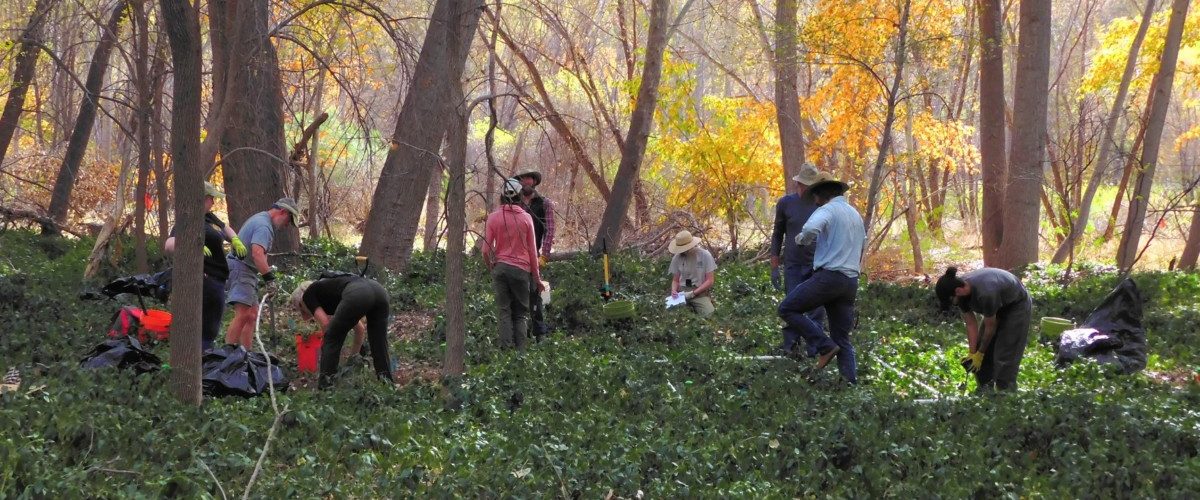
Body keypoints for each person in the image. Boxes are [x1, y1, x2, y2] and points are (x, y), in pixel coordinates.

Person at [777, 172, 865, 383]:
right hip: (850, 282)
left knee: (787, 308)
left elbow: (810, 229)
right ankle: (849, 385)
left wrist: (801, 240)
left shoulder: (827, 210)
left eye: (815, 193)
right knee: (842, 338)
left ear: (822, 193)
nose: (813, 199)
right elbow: (863, 243)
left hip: (829, 278)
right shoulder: (854, 214)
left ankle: (824, 345)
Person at [163, 182, 247, 350]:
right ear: (202, 199)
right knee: (203, 328)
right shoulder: (188, 219)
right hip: (203, 281)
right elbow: (169, 244)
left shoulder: (209, 217)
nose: (213, 203)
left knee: (212, 327)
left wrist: (235, 239)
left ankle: (206, 356)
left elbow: (225, 228)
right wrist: (189, 244)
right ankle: (202, 359)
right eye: (211, 199)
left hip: (218, 281)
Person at [935, 266, 1032, 392]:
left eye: (952, 300)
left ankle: (1006, 395)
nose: (954, 303)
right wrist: (973, 353)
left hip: (1015, 305)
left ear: (958, 291)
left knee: (1005, 353)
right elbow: (970, 324)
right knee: (982, 349)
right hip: (995, 306)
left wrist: (980, 353)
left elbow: (991, 327)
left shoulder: (986, 293)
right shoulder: (960, 292)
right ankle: (985, 391)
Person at [290, 276, 393, 388]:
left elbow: (325, 325)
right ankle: (387, 385)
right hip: (379, 290)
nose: (304, 317)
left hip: (359, 293)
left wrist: (326, 357)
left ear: (301, 302)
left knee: (331, 338)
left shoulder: (307, 296)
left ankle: (326, 387)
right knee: (379, 342)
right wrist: (352, 360)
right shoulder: (331, 293)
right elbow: (360, 329)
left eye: (301, 310)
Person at [224, 197, 300, 348]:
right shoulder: (264, 226)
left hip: (246, 269)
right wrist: (269, 279)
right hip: (241, 268)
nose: (287, 226)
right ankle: (228, 357)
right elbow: (257, 254)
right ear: (282, 212)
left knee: (252, 315)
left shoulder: (262, 220)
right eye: (288, 220)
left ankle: (246, 355)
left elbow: (261, 255)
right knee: (243, 314)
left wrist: (266, 272)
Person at [769, 163, 827, 357]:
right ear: (798, 184)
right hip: (793, 264)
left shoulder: (822, 205)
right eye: (803, 185)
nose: (805, 189)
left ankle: (815, 350)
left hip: (817, 265)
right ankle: (791, 348)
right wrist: (774, 266)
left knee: (816, 310)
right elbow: (777, 234)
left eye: (810, 186)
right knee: (791, 306)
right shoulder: (786, 203)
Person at [483, 178, 545, 350]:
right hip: (521, 271)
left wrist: (491, 267)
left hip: (500, 269)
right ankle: (520, 356)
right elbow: (533, 252)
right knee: (520, 315)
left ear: (502, 196)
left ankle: (505, 354)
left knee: (504, 312)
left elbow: (485, 250)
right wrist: (537, 279)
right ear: (519, 195)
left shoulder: (493, 217)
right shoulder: (526, 219)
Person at [515, 171, 556, 339]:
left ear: (534, 181)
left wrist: (544, 255)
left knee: (535, 294)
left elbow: (550, 229)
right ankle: (519, 334)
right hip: (514, 257)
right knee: (516, 295)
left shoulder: (544, 203)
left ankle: (540, 333)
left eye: (528, 178)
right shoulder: (514, 203)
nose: (525, 181)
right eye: (522, 178)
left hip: (533, 256)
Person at [668, 230, 717, 317]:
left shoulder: (705, 255)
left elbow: (710, 280)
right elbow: (675, 280)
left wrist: (693, 293)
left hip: (699, 292)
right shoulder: (676, 258)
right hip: (682, 293)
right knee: (673, 315)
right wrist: (674, 290)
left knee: (710, 314)